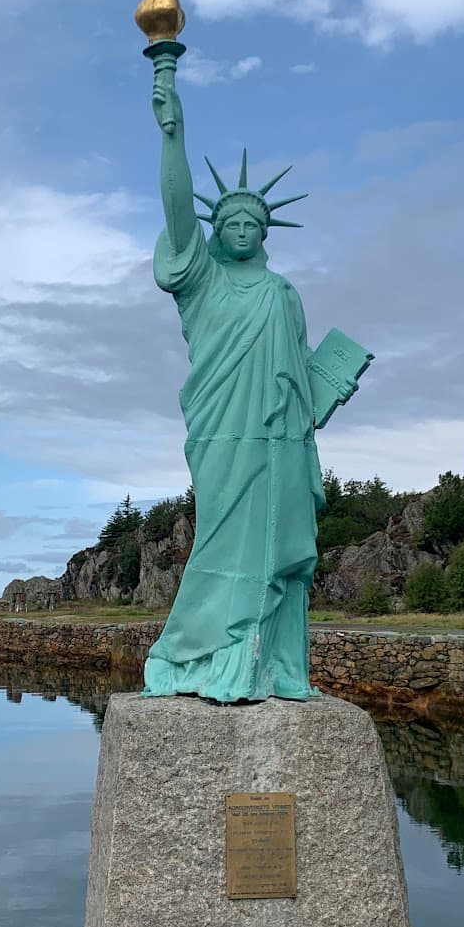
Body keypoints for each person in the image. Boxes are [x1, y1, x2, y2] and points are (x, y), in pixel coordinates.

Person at [141, 60, 324, 703]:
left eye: (252, 223)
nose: (241, 229)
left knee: (276, 547)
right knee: (219, 539)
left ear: (266, 232)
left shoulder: (282, 294)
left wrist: (324, 391)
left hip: (279, 440)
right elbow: (176, 210)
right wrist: (174, 135)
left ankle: (267, 663)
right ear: (218, 231)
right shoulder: (204, 283)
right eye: (231, 223)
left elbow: (300, 373)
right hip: (222, 430)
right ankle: (198, 654)